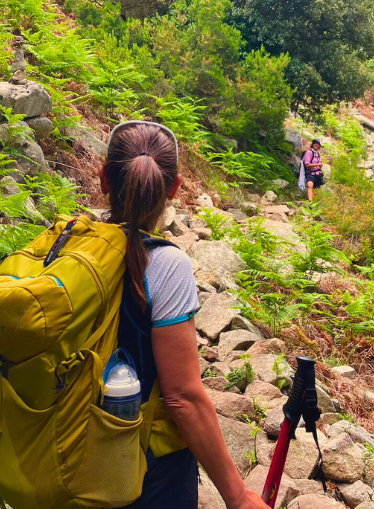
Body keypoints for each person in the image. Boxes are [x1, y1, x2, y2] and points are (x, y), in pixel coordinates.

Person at [99, 121, 269, 509]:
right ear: (173, 189)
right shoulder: (166, 264)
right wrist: (238, 495)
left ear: (104, 178)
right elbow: (181, 398)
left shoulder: (67, 242)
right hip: (140, 470)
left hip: (64, 446)